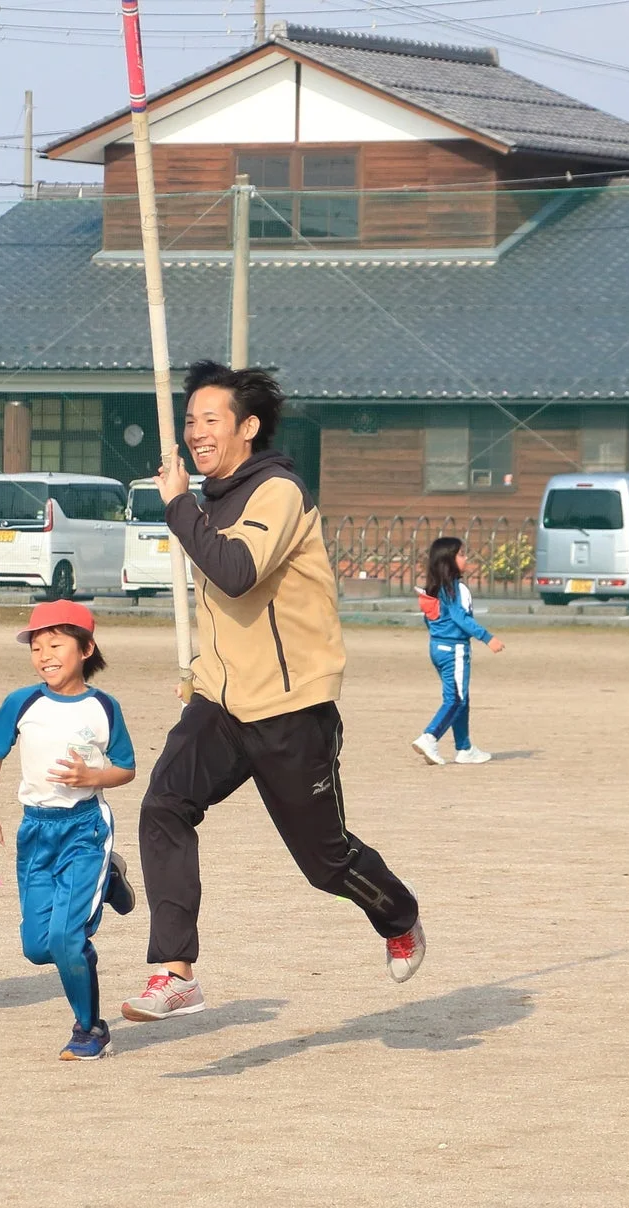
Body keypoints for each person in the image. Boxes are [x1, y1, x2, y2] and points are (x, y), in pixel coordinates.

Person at [125, 361, 424, 1023]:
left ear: (248, 427)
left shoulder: (278, 492)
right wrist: (203, 674)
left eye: (211, 419)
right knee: (163, 807)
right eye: (190, 420)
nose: (196, 432)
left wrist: (178, 507)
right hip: (222, 707)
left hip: (291, 712)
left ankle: (398, 915)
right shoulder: (211, 499)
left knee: (326, 864)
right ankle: (176, 973)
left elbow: (237, 573)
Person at [0, 601, 138, 1060]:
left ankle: (90, 1030)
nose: (44, 654)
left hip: (85, 828)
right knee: (37, 948)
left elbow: (125, 767)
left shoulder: (104, 707)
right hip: (35, 830)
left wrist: (93, 778)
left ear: (86, 648)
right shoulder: (22, 702)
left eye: (56, 644)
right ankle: (108, 881)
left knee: (68, 939)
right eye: (37, 646)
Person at [413, 536, 505, 766]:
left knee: (460, 698)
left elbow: (431, 619)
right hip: (454, 650)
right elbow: (461, 618)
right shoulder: (456, 589)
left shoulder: (434, 589)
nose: (466, 559)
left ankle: (464, 747)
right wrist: (487, 637)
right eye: (462, 554)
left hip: (438, 648)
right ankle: (430, 737)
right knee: (456, 699)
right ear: (449, 561)